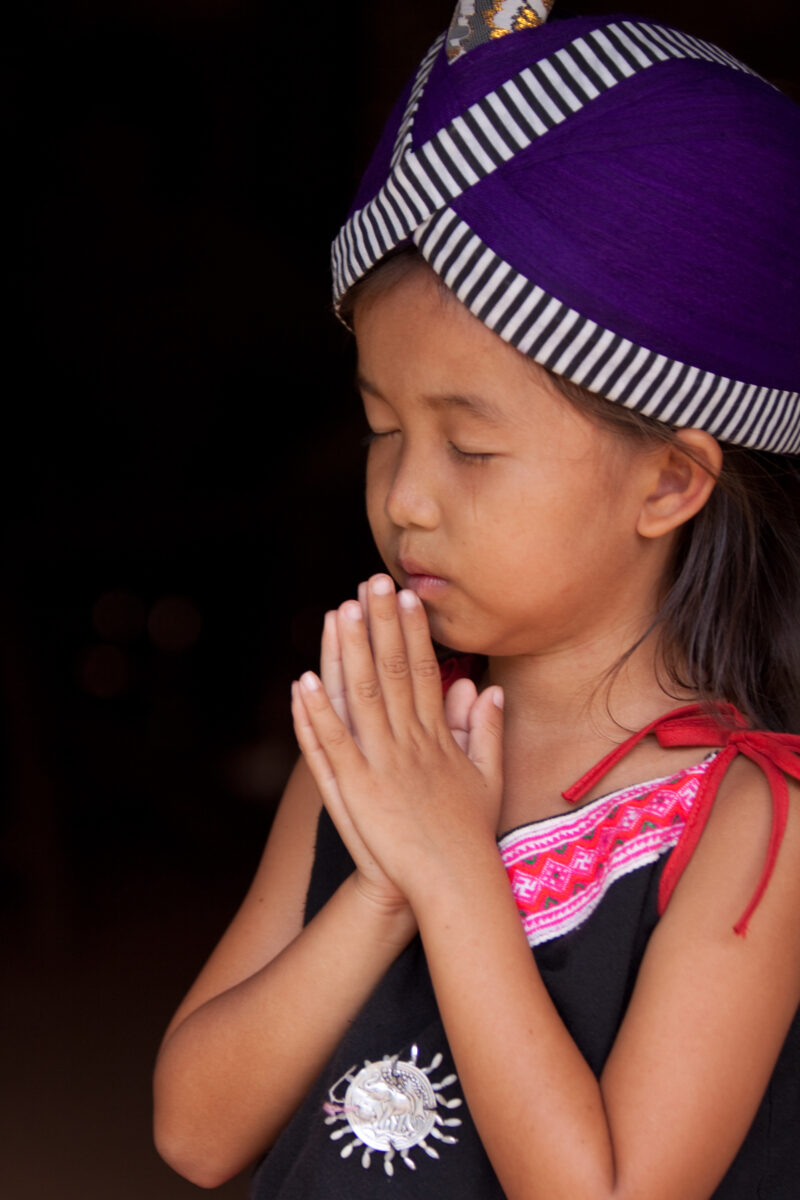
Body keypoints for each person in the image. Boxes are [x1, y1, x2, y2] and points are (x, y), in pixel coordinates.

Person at [153, 5, 800, 1197]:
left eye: (471, 448)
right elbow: (196, 1130)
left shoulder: (750, 823)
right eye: (381, 429)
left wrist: (451, 870)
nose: (404, 498)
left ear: (668, 481)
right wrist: (383, 883)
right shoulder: (375, 749)